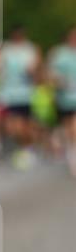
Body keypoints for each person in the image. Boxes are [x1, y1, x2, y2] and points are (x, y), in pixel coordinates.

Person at [0, 26, 41, 168]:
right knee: (12, 126)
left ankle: (28, 147)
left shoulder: (31, 49)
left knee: (25, 127)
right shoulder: (5, 50)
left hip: (25, 94)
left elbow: (38, 70)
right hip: (8, 94)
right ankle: (20, 147)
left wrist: (33, 71)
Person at [48, 27, 76, 176]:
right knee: (67, 128)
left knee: (75, 127)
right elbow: (51, 73)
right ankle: (70, 151)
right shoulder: (60, 53)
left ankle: (73, 154)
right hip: (65, 98)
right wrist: (58, 81)